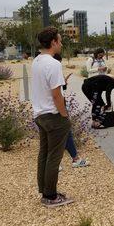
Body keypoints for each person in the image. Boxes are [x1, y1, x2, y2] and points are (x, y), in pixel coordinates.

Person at [31, 27, 74, 208]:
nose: (61, 43)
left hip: (40, 114)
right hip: (53, 116)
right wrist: (64, 115)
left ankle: (45, 191)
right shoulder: (54, 64)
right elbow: (57, 95)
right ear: (53, 42)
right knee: (54, 157)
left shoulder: (37, 61)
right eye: (60, 40)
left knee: (44, 154)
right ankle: (51, 195)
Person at [53, 54, 90, 169]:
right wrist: (63, 112)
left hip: (59, 108)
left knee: (66, 133)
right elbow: (54, 94)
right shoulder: (52, 70)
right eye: (58, 62)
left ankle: (74, 159)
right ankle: (57, 163)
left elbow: (59, 90)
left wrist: (64, 84)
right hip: (55, 110)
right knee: (57, 135)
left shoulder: (55, 71)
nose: (59, 65)